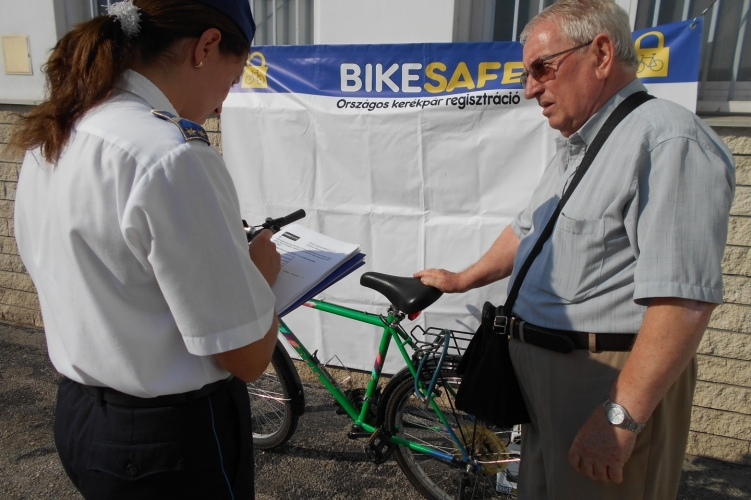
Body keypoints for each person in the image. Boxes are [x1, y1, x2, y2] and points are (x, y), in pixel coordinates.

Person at [415, 0, 735, 498]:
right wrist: (462, 279)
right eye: (526, 74)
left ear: (601, 54)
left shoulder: (668, 140)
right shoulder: (579, 145)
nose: (530, 89)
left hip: (603, 383)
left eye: (541, 68)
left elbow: (683, 302)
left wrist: (619, 417)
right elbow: (526, 231)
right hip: (548, 385)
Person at [9, 1, 280, 498]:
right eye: (234, 77)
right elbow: (247, 357)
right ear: (206, 46)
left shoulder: (59, 128)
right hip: (167, 442)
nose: (224, 102)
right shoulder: (171, 153)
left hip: (82, 417)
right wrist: (260, 273)